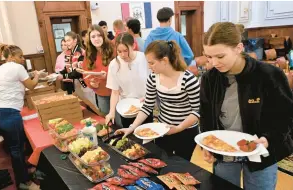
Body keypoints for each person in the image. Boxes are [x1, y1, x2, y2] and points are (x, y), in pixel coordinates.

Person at [200, 22, 293, 190]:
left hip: (260, 153)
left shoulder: (268, 75)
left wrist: (270, 139)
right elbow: (206, 114)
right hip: (225, 152)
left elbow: (286, 115)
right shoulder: (210, 78)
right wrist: (206, 145)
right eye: (209, 57)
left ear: (239, 48)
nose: (214, 63)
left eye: (220, 56)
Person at [115, 40, 200, 161]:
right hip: (162, 129)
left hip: (186, 131)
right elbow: (147, 106)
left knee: (181, 165)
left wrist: (179, 128)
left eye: (152, 63)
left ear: (164, 60)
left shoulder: (188, 80)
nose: (149, 67)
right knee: (162, 162)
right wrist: (132, 127)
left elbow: (196, 111)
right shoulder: (153, 78)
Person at [0, 45, 40, 190]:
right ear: (10, 57)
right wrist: (37, 76)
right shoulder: (17, 67)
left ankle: (24, 170)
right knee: (17, 149)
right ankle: (24, 182)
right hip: (7, 113)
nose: (23, 59)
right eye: (20, 56)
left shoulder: (0, 68)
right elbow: (32, 86)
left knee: (14, 146)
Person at [105, 32, 151, 128]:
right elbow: (115, 92)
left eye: (126, 51)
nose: (123, 55)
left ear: (133, 46)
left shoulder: (144, 59)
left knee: (146, 135)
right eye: (119, 51)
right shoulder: (114, 65)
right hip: (126, 108)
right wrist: (111, 112)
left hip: (145, 106)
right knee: (131, 138)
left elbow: (154, 81)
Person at [82, 24, 114, 115]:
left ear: (103, 36)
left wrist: (107, 75)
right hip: (101, 92)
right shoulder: (88, 54)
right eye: (93, 36)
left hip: (117, 92)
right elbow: (85, 74)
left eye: (99, 35)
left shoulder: (112, 48)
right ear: (90, 39)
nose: (96, 39)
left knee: (119, 122)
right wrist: (91, 83)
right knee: (106, 119)